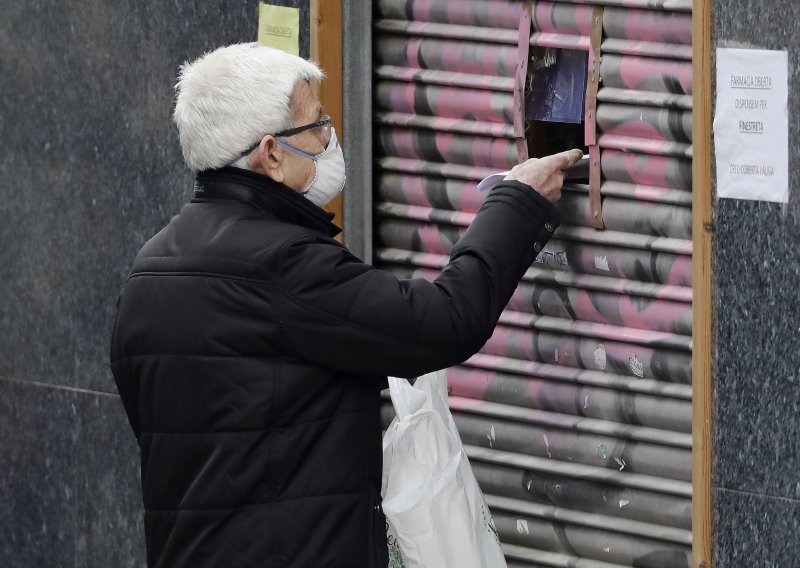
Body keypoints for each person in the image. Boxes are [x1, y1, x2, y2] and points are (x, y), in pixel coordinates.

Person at [110, 43, 582, 568]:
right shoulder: (281, 265)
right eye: (317, 125)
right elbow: (443, 321)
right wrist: (517, 202)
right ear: (270, 154)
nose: (332, 137)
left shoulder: (147, 274)